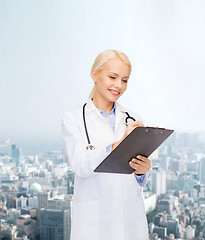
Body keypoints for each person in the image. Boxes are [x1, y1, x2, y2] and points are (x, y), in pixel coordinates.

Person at [61, 49, 151, 240]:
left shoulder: (133, 119)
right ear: (94, 75)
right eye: (113, 77)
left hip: (130, 224)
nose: (119, 85)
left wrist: (142, 171)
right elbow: (80, 165)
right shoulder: (73, 119)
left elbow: (138, 178)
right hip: (94, 226)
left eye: (125, 80)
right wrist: (118, 145)